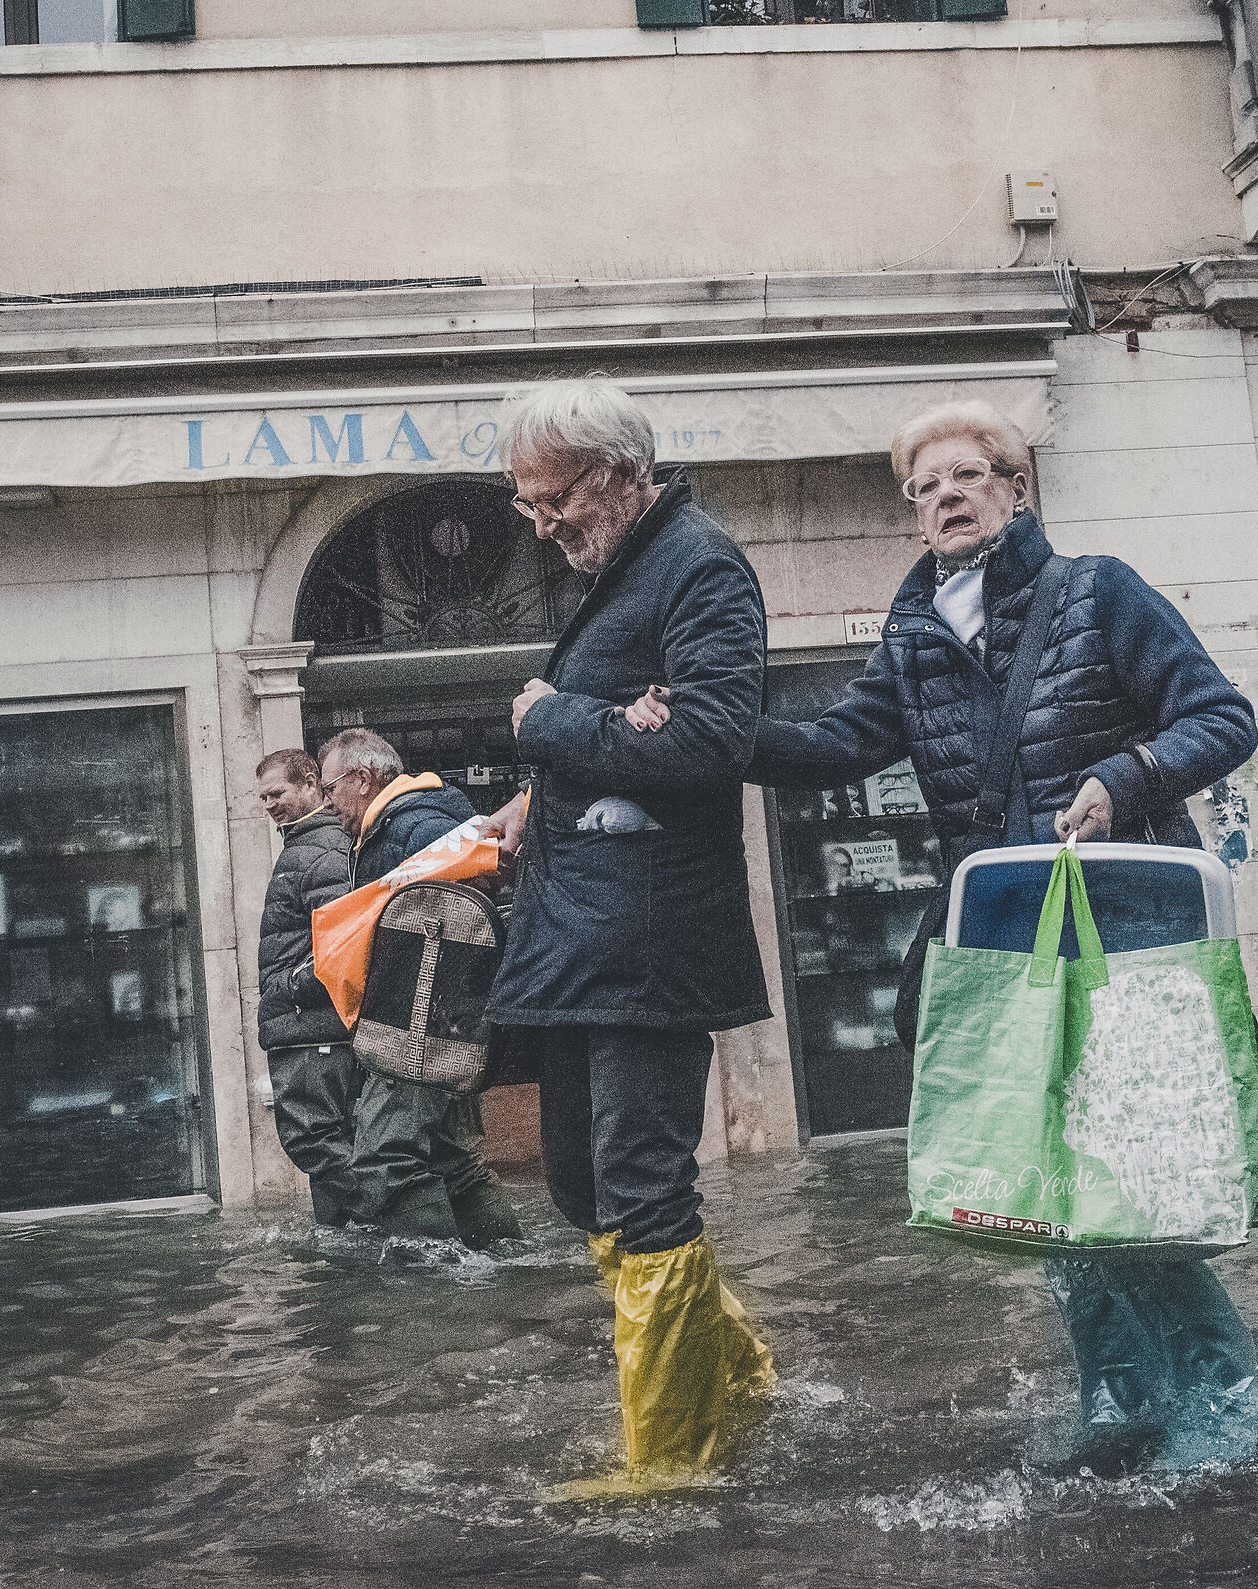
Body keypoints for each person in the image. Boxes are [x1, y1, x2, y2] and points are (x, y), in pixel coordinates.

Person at [629, 398, 1258, 1469]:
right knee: (1045, 1185)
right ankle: (1118, 1408)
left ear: (1014, 489)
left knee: (1133, 1177)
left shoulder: (1098, 589)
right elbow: (838, 742)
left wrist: (1121, 774)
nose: (945, 498)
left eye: (967, 476)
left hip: (1127, 932)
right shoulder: (915, 625)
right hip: (1007, 938)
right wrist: (709, 732)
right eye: (925, 488)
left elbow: (1222, 716)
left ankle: (1226, 1411)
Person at [480, 378, 774, 1481]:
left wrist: (550, 719)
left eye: (549, 497)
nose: (540, 521)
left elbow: (708, 741)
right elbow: (627, 737)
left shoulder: (698, 563)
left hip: (650, 937)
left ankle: (676, 1455)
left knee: (645, 1186)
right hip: (575, 934)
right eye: (525, 504)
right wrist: (537, 791)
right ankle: (732, 1371)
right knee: (577, 1185)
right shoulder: (621, 569)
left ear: (615, 472)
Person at [316, 728, 521, 1248]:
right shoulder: (404, 824)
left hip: (420, 1025)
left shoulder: (415, 824)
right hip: (439, 1024)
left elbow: (457, 924)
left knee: (384, 1158)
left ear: (362, 780)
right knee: (453, 1160)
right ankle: (504, 1261)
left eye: (330, 788)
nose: (327, 803)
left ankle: (431, 1281)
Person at [252, 749, 364, 1228]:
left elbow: (345, 944)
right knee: (326, 1144)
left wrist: (292, 990)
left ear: (310, 784)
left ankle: (378, 1244)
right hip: (310, 1027)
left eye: (277, 793)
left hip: (315, 1031)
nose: (270, 805)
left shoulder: (320, 851)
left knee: (318, 1140)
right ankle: (355, 1252)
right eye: (263, 798)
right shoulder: (310, 848)